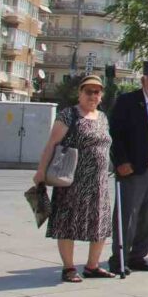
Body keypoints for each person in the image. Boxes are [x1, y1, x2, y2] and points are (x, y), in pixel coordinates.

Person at [33, 75, 114, 283]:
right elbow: (51, 144)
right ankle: (68, 268)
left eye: (97, 92)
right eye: (88, 91)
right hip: (71, 180)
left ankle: (92, 266)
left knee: (99, 224)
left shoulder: (103, 117)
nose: (93, 96)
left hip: (99, 182)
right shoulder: (68, 115)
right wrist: (41, 171)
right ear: (80, 92)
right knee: (67, 223)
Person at [108, 60, 148, 274]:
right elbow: (115, 134)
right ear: (143, 80)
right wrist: (121, 162)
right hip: (133, 169)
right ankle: (119, 258)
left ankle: (138, 256)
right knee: (128, 215)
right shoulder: (128, 101)